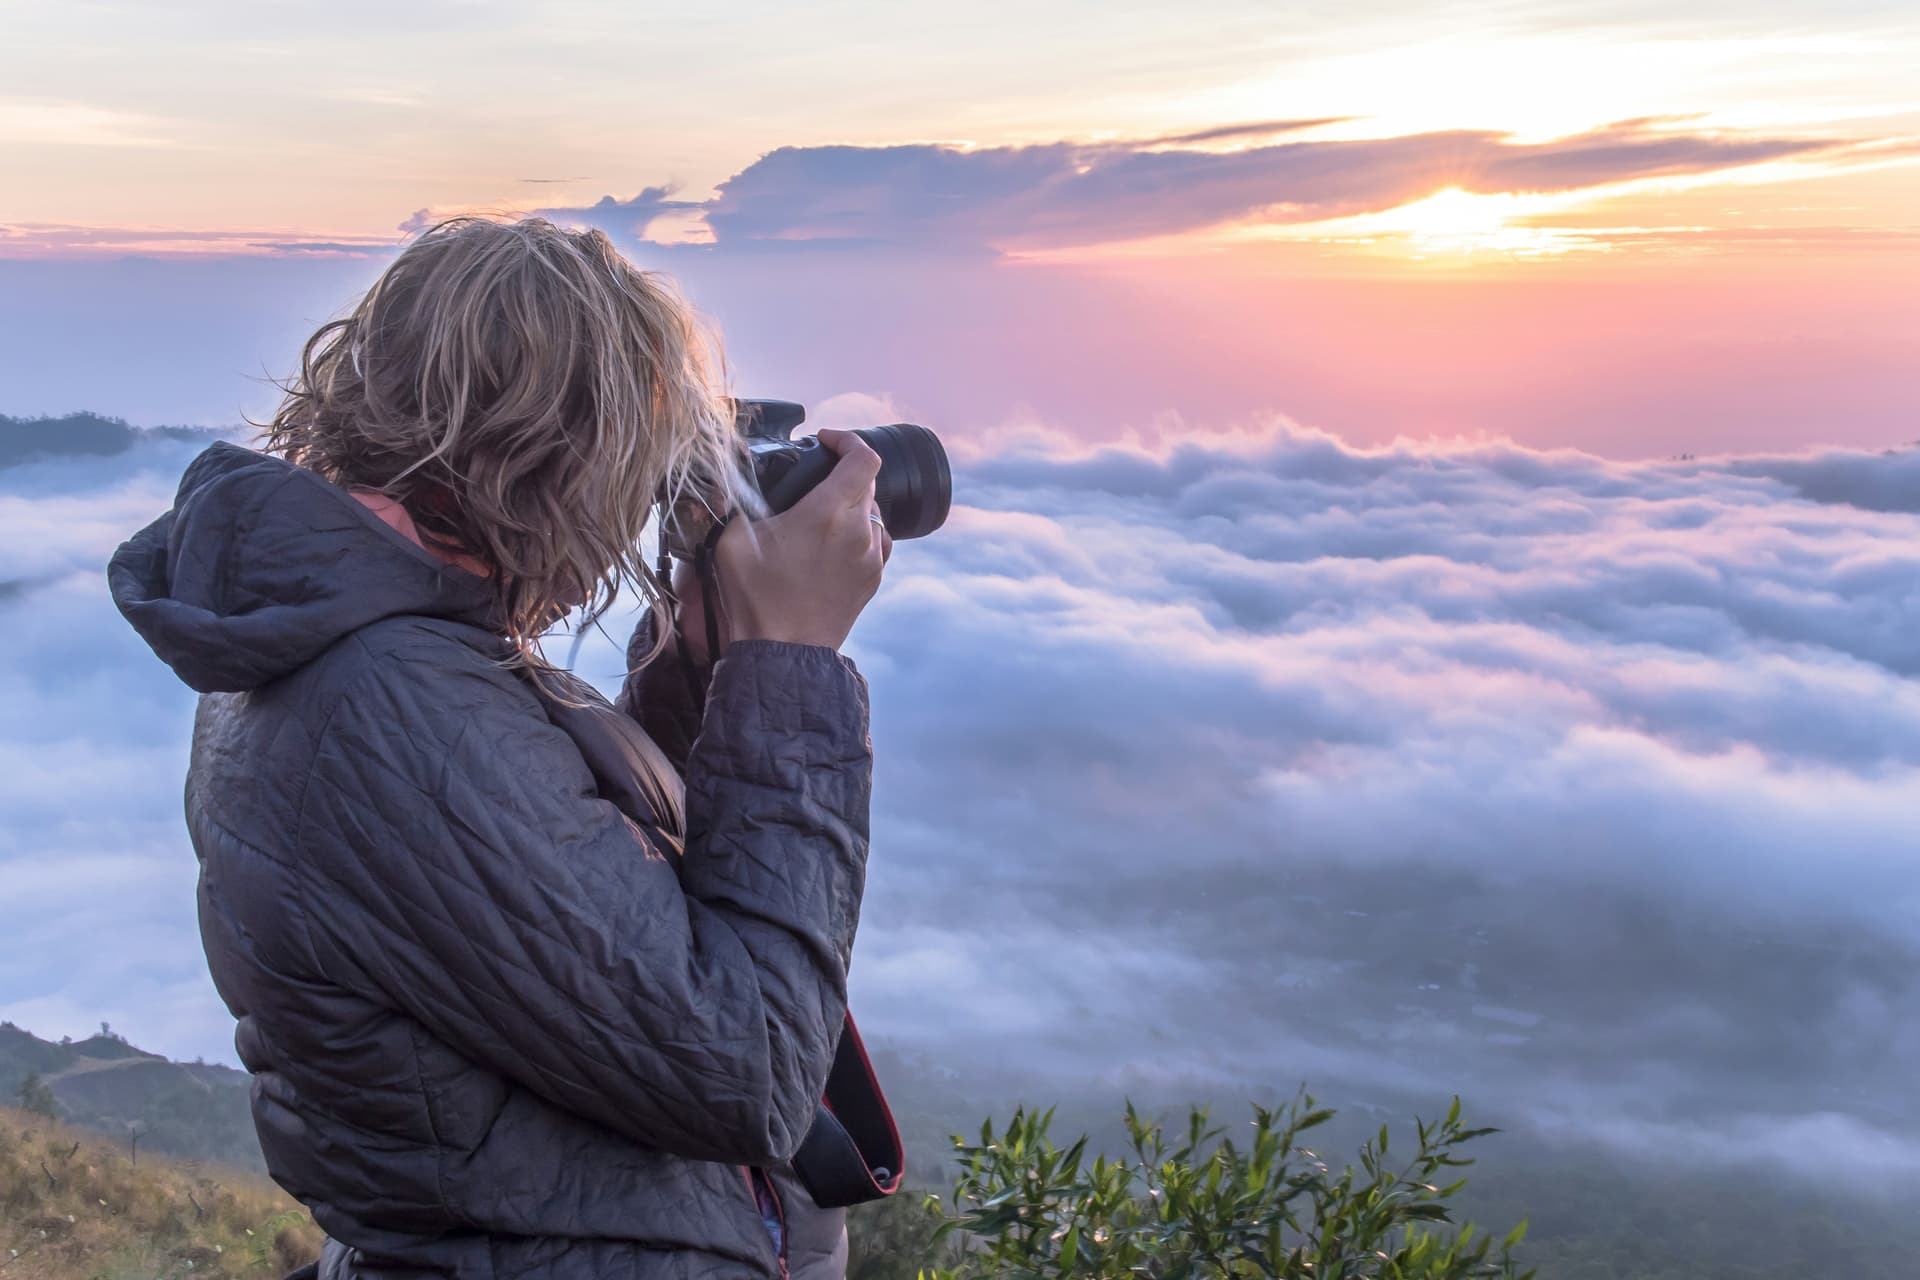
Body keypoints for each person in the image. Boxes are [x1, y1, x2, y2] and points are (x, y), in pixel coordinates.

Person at [107, 215, 891, 1279]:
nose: (634, 511)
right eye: (638, 460)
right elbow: (748, 1069)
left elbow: (583, 902)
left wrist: (696, 676)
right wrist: (790, 669)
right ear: (557, 452)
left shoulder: (390, 646)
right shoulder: (384, 702)